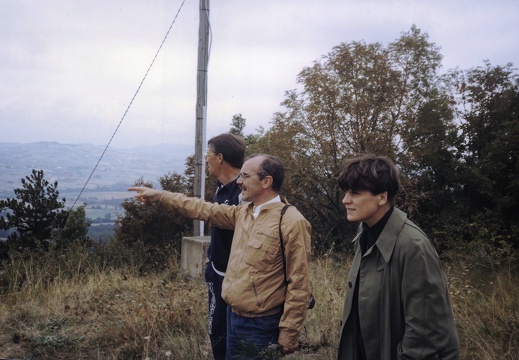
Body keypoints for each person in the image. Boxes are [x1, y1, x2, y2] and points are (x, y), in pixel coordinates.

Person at [129, 154, 312, 359]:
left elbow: (299, 282)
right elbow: (203, 208)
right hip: (232, 316)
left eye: (245, 176)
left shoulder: (291, 222)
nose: (239, 181)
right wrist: (160, 196)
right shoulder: (244, 213)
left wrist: (289, 332)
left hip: (261, 325)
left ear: (267, 181)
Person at [336, 154, 460, 360]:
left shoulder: (413, 245)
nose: (345, 200)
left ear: (382, 197)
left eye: (355, 193)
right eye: (346, 192)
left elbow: (425, 334)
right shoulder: (365, 233)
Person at [204, 133, 246, 360]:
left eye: (208, 154)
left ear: (220, 157)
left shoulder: (245, 192)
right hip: (217, 271)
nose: (205, 159)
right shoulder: (221, 186)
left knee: (231, 334)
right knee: (217, 331)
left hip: (236, 278)